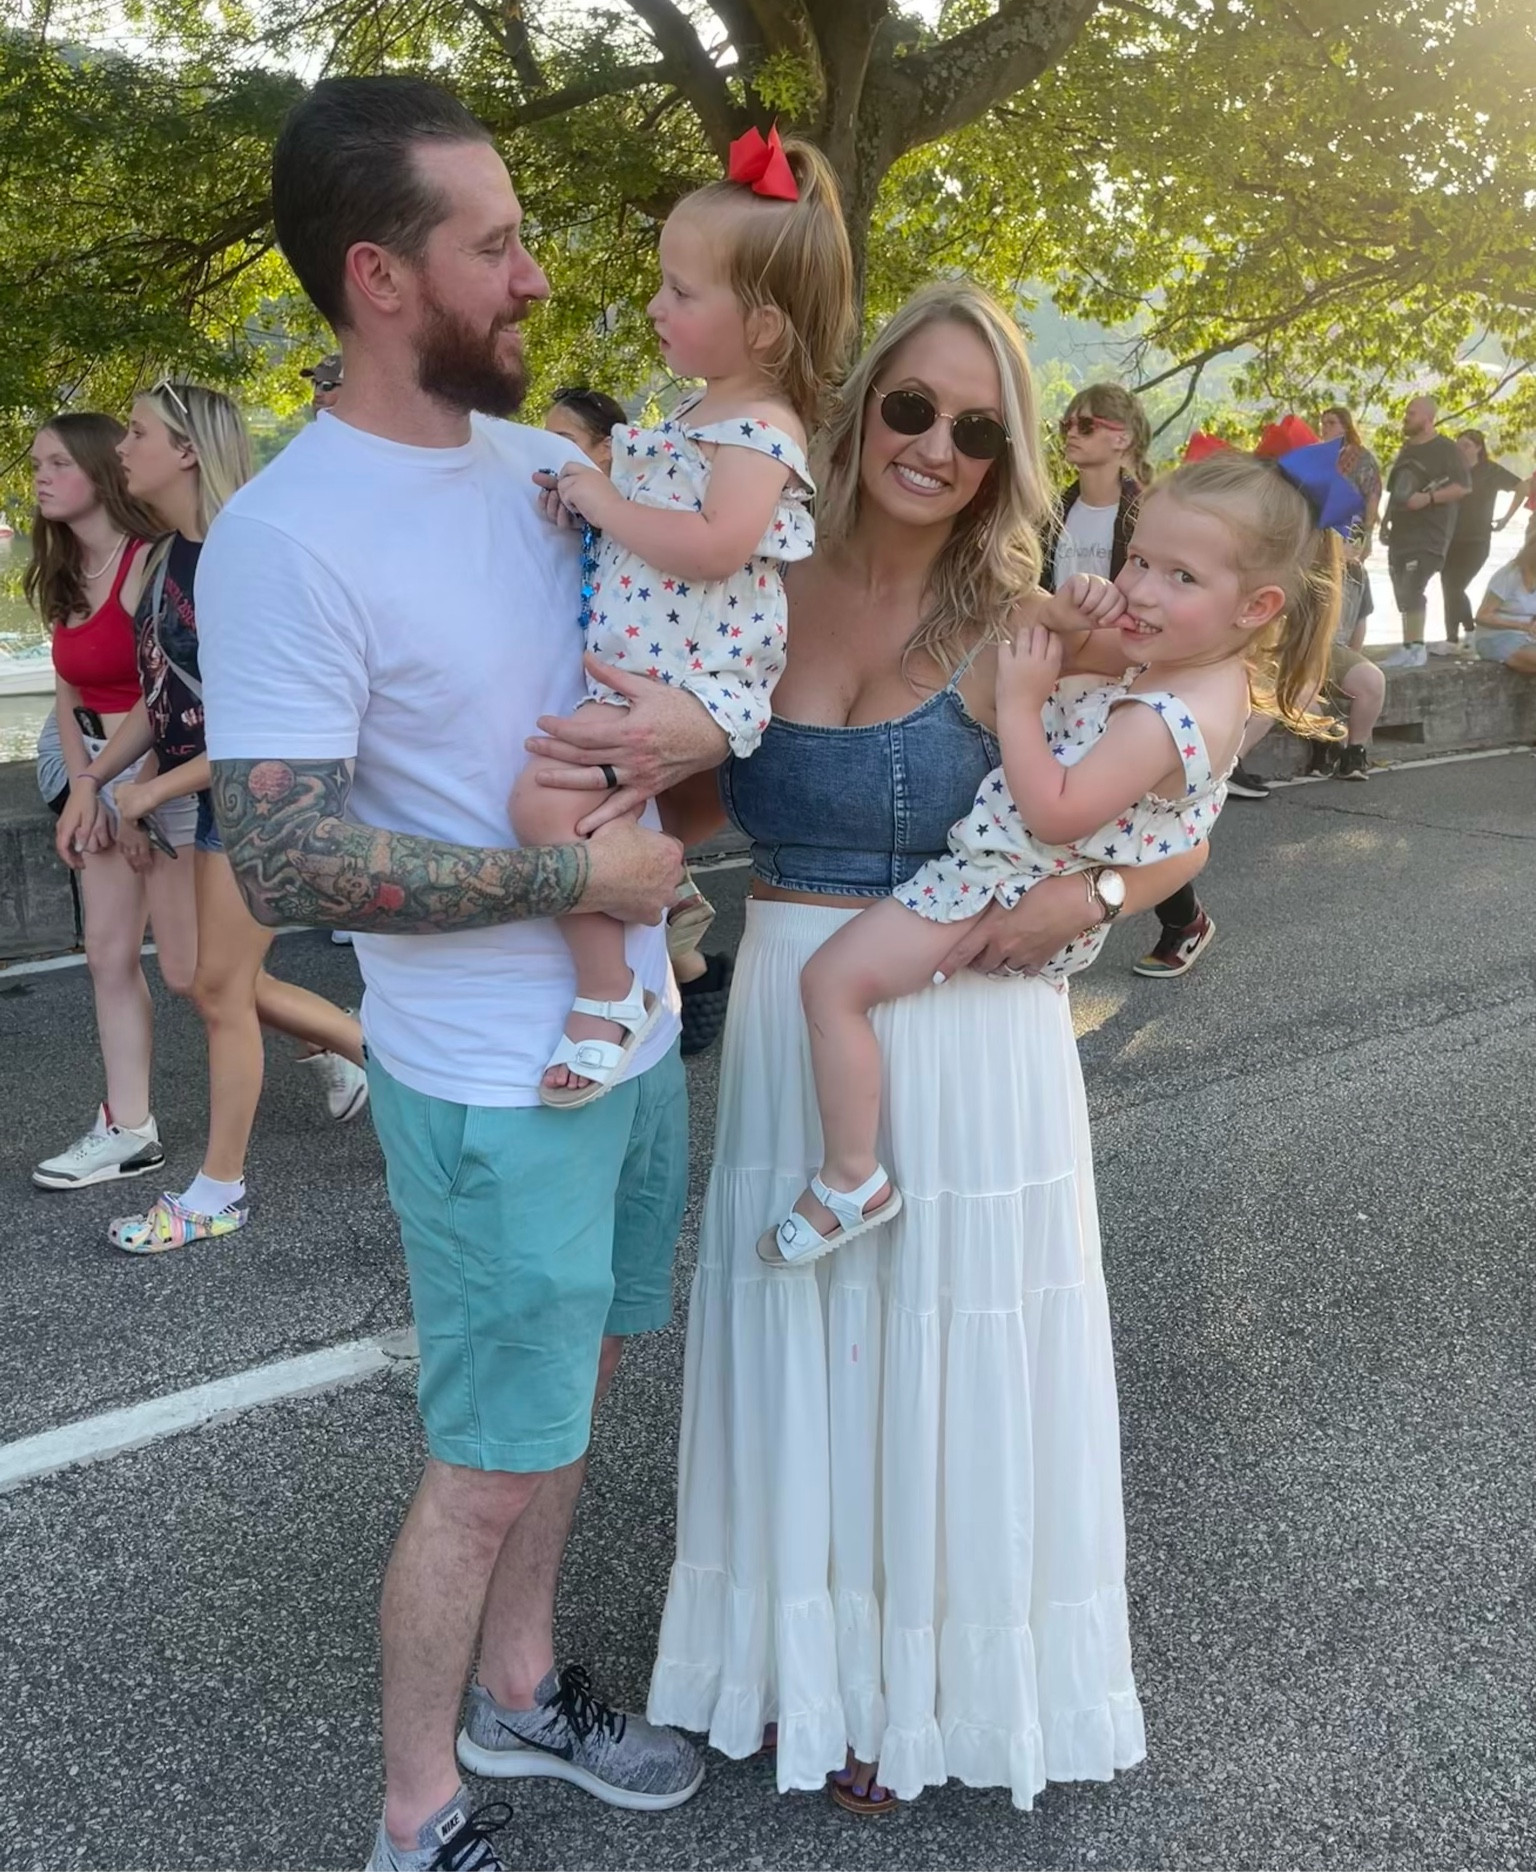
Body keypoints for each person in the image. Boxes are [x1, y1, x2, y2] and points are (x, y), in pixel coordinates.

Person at [196, 75, 701, 1872]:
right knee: (486, 1454)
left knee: (576, 1397)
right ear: (379, 277)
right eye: (493, 246)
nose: (538, 276)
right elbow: (284, 855)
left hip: (626, 1037)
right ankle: (418, 1811)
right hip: (492, 1081)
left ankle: (521, 1686)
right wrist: (579, 870)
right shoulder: (288, 533)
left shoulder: (534, 473)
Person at [622, 280, 1207, 1815]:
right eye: (908, 408)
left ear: (1006, 455)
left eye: (973, 427)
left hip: (968, 1025)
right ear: (856, 407)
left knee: (941, 1352)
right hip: (789, 1021)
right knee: (804, 1350)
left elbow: (1200, 760)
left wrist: (1091, 890)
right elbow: (685, 799)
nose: (934, 446)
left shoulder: (1037, 621)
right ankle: (794, 1678)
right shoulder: (753, 581)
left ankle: (930, 1697)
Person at [762, 446, 1347, 1265]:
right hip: (1018, 877)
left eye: (1182, 577)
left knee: (832, 982)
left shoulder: (1168, 713)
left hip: (1003, 881)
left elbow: (1055, 809)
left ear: (1257, 606)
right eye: (1141, 558)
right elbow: (1055, 644)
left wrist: (1019, 702)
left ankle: (852, 1175)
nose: (1142, 588)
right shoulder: (1184, 667)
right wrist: (1074, 621)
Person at [512, 131, 853, 1103]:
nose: (656, 307)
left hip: (697, 681)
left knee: (542, 806)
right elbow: (647, 535)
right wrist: (588, 506)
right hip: (654, 671)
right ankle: (638, 958)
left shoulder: (761, 427)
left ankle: (611, 991)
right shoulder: (700, 419)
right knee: (563, 806)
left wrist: (604, 499)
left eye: (682, 291)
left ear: (764, 331)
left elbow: (713, 544)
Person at [57, 382, 368, 1253]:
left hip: (255, 799)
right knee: (207, 983)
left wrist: (151, 792)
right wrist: (95, 780)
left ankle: (218, 1189)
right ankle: (392, 1065)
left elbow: (257, 719)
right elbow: (162, 702)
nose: (122, 447)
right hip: (214, 796)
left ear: (188, 450)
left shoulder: (243, 555)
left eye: (138, 432)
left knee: (221, 992)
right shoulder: (159, 562)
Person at [27, 413, 198, 1192]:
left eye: (58, 462)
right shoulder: (62, 571)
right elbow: (67, 697)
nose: (40, 477)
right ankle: (129, 1128)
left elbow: (167, 697)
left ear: (99, 472)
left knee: (198, 972)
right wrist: (82, 786)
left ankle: (341, 1042)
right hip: (99, 768)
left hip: (163, 763)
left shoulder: (147, 563)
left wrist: (126, 793)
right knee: (107, 955)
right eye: (36, 463)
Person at [541, 384, 733, 1057]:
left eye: (562, 443)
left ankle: (628, 981)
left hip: (629, 715)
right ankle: (668, 965)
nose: (548, 459)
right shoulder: (582, 527)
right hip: (610, 724)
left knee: (557, 811)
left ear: (609, 451)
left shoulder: (646, 528)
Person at [1379, 393, 1470, 668]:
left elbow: (1463, 486)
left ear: (1429, 420)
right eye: (1407, 412)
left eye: (1413, 413)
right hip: (1401, 532)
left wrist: (1429, 498)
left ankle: (1416, 649)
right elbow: (1396, 491)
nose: (1406, 417)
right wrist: (1385, 522)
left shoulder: (1445, 449)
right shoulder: (1407, 449)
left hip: (1430, 533)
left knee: (1413, 584)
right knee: (1400, 589)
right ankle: (1408, 646)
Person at [1437, 431, 1531, 654]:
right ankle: (1452, 640)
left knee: (1455, 586)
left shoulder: (1490, 470)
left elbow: (1523, 487)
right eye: (1458, 445)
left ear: (1479, 447)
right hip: (1450, 539)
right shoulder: (1452, 471)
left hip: (1477, 540)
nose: (1461, 450)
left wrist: (1506, 518)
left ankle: (1469, 632)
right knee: (1447, 586)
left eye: (1466, 446)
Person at [1317, 404, 1381, 650]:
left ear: (1345, 427)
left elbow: (1372, 495)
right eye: (1323, 423)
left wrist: (1366, 534)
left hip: (1352, 526)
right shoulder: (1321, 455)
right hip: (1324, 528)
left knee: (1353, 585)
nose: (1325, 428)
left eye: (1331, 423)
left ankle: (1352, 649)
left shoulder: (1360, 457)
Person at [1472, 529, 1536, 674]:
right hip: (1497, 638)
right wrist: (1522, 626)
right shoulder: (1510, 574)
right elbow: (1482, 616)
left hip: (1527, 638)